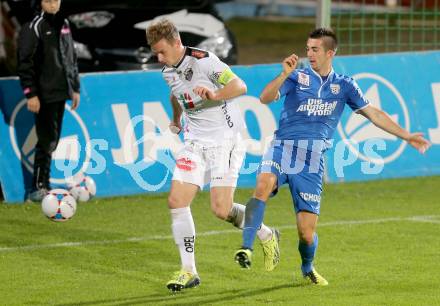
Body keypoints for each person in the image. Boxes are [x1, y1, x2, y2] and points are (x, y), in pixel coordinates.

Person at [234, 28, 431, 285]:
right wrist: (284, 74)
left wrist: (406, 136)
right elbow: (264, 98)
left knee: (306, 233)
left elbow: (374, 114)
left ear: (330, 52)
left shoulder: (344, 85)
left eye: (315, 49)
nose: (309, 54)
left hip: (311, 162)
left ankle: (308, 267)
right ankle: (247, 247)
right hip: (283, 148)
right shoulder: (296, 77)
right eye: (307, 49)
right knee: (263, 184)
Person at [146, 19, 280, 292]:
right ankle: (188, 271)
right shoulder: (168, 71)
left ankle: (267, 233)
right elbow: (177, 96)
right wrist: (176, 120)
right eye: (155, 53)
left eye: (161, 51)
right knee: (176, 200)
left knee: (221, 209)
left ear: (176, 42)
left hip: (225, 141)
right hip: (194, 142)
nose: (158, 57)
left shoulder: (204, 61)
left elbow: (240, 86)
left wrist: (215, 93)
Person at [17, 0, 80, 202]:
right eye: (48, 1)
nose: (53, 4)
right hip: (43, 95)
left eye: (56, 0)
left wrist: (75, 87)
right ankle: (36, 188)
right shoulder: (33, 27)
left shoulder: (65, 24)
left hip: (61, 92)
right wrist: (30, 94)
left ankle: (45, 183)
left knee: (52, 140)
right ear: (40, 3)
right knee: (46, 141)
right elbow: (25, 62)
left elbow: (71, 57)